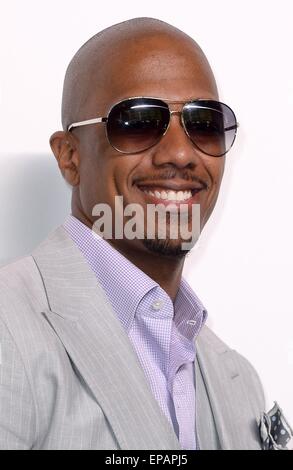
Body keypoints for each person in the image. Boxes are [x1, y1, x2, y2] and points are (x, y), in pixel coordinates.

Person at [0, 17, 266, 450]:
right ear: (69, 157)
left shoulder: (238, 380)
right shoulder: (9, 330)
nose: (181, 153)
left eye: (204, 124)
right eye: (138, 121)